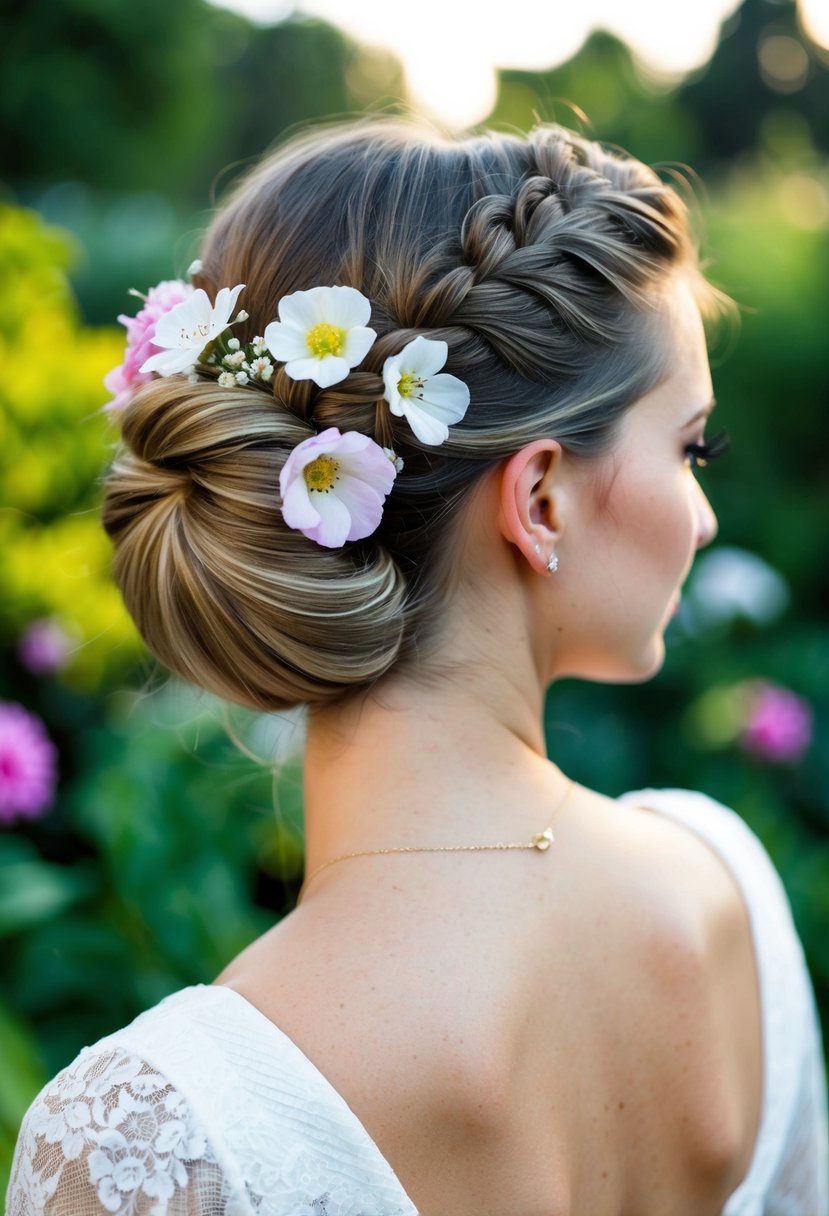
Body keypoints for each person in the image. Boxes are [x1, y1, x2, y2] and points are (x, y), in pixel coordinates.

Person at [7, 119, 827, 1216]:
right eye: (689, 448)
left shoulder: (161, 1133)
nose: (704, 511)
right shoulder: (726, 896)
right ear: (538, 498)